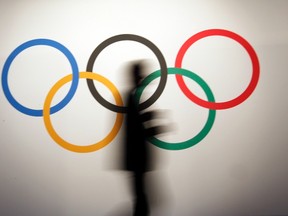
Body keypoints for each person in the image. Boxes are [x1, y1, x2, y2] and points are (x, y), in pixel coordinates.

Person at [123, 61, 163, 216]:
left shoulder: (133, 96)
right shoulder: (132, 97)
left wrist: (152, 116)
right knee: (142, 201)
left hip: (137, 160)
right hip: (137, 159)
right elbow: (137, 127)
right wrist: (157, 127)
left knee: (142, 200)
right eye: (141, 75)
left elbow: (137, 121)